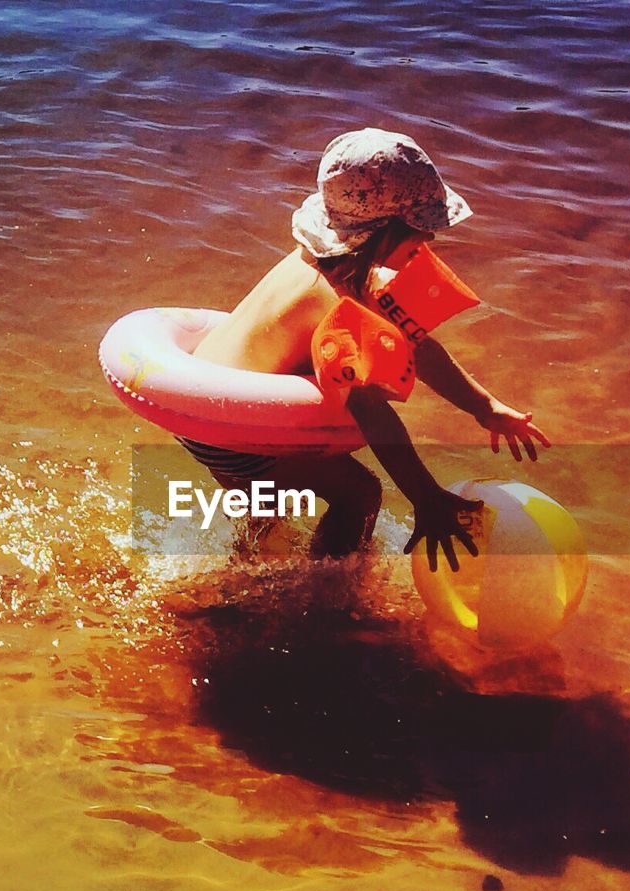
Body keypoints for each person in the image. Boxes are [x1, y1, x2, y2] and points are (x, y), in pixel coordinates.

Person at [184, 127, 549, 570]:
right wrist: (426, 497)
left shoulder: (324, 264)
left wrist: (483, 405)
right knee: (358, 492)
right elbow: (372, 410)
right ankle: (326, 598)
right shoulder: (333, 304)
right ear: (382, 233)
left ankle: (250, 570)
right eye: (419, 229)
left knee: (270, 505)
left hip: (205, 405)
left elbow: (415, 343)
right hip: (231, 436)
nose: (429, 241)